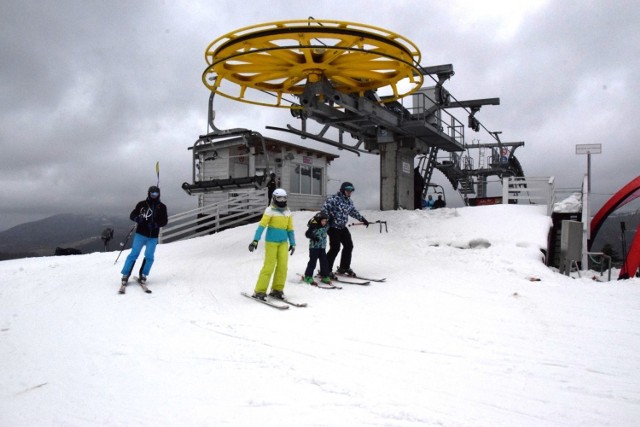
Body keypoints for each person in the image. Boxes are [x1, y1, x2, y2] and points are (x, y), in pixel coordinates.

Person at [248, 188, 296, 300]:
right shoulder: (270, 210)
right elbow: (262, 226)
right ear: (274, 198)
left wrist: (293, 243)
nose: (282, 200)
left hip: (283, 243)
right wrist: (255, 240)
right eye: (279, 198)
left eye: (284, 198)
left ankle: (277, 289)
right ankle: (259, 291)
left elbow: (290, 229)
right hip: (271, 243)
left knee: (282, 266)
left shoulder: (287, 212)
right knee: (269, 266)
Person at [121, 185, 168, 285]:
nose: (154, 196)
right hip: (141, 234)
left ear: (159, 194)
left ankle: (143, 274)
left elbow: (164, 221)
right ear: (148, 193)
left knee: (149, 256)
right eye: (152, 194)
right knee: (134, 254)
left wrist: (156, 224)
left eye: (156, 194)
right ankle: (125, 274)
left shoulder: (162, 207)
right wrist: (137, 219)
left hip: (153, 236)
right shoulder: (142, 204)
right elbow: (132, 215)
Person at [321, 182, 369, 277]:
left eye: (351, 190)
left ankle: (344, 267)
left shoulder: (349, 201)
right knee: (335, 248)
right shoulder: (333, 199)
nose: (349, 192)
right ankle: (325, 270)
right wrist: (325, 220)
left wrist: (362, 219)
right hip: (333, 227)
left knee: (349, 246)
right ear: (343, 190)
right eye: (347, 190)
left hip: (342, 227)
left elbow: (353, 212)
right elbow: (324, 210)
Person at [303, 212, 331, 285]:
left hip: (322, 248)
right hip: (314, 248)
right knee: (313, 262)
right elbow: (307, 234)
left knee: (324, 262)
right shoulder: (314, 226)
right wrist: (314, 237)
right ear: (319, 220)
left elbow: (331, 222)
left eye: (325, 221)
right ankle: (308, 276)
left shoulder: (326, 226)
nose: (324, 222)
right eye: (323, 221)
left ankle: (324, 276)